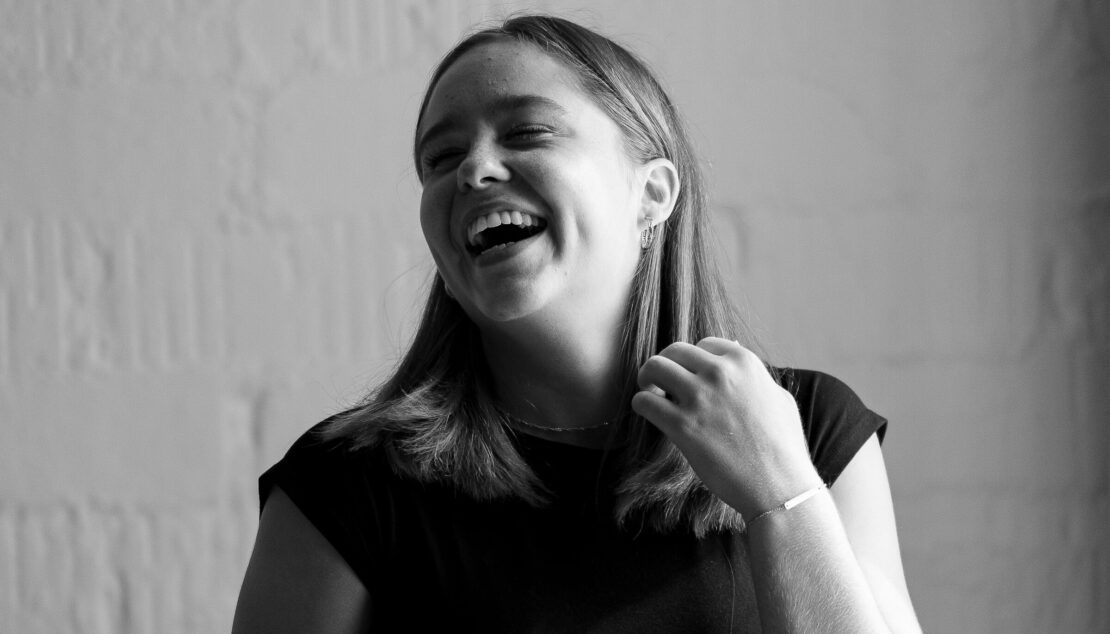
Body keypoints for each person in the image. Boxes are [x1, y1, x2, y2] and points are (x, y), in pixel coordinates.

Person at [233, 14, 921, 633]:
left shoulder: (811, 426)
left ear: (652, 193)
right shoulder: (345, 486)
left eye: (526, 132)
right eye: (441, 158)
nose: (473, 170)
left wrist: (782, 495)